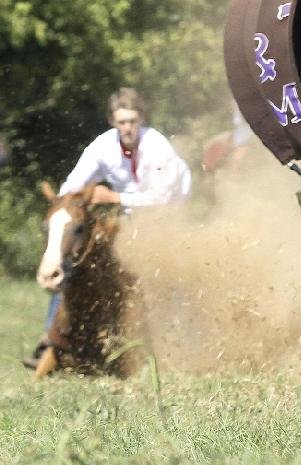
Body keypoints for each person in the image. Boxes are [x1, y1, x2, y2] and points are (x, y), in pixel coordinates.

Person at [25, 87, 191, 368]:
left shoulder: (158, 146)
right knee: (76, 261)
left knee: (169, 273)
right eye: (122, 121)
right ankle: (51, 338)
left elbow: (162, 198)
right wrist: (67, 205)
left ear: (142, 119)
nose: (128, 128)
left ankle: (176, 341)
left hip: (168, 214)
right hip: (130, 215)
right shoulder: (102, 147)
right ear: (112, 121)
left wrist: (113, 197)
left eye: (133, 121)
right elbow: (72, 187)